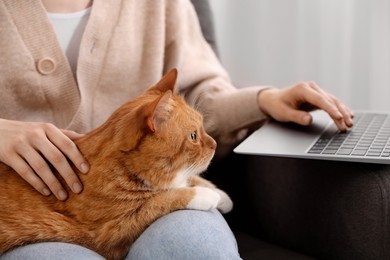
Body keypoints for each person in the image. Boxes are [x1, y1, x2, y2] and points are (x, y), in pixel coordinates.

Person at [0, 0, 353, 259]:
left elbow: (198, 96)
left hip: (153, 187)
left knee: (195, 247)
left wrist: (264, 100)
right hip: (34, 213)